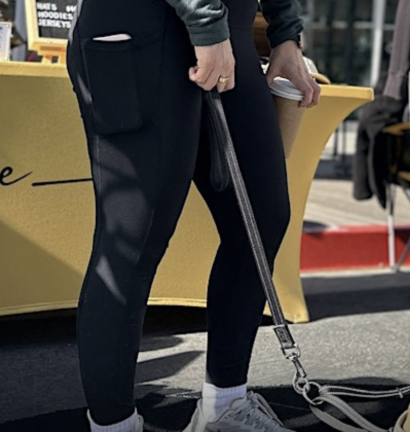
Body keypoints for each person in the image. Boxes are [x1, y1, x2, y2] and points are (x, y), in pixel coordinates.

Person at [65, 0, 320, 430]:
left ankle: (224, 408)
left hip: (228, 30)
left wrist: (286, 34)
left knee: (261, 216)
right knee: (133, 237)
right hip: (143, 26)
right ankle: (114, 425)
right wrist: (204, 22)